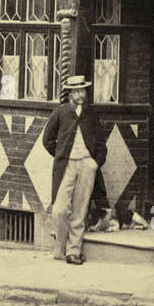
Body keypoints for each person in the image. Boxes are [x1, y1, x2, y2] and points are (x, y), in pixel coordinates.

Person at [42, 75, 107, 264]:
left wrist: (95, 163)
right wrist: (61, 155)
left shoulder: (91, 114)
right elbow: (47, 140)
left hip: (87, 165)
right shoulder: (60, 112)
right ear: (69, 93)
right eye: (77, 91)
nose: (81, 94)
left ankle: (73, 251)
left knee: (80, 210)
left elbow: (101, 144)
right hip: (66, 166)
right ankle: (60, 247)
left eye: (83, 90)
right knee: (60, 210)